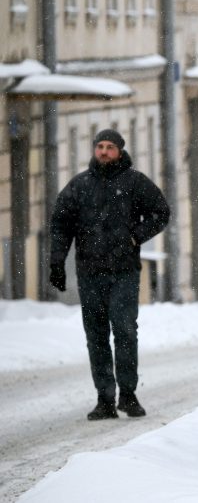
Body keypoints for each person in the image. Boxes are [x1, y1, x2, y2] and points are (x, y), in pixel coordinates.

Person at [49, 129, 170, 421]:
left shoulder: (135, 182)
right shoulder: (79, 186)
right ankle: (104, 398)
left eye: (110, 147)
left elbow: (161, 212)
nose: (104, 152)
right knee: (96, 335)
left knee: (125, 331)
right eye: (100, 146)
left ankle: (128, 394)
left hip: (124, 272)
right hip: (89, 273)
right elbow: (61, 225)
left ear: (119, 151)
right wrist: (56, 262)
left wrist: (135, 237)